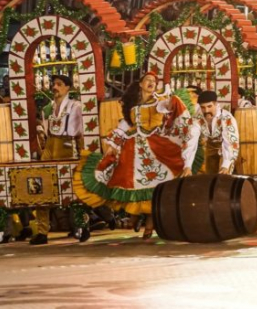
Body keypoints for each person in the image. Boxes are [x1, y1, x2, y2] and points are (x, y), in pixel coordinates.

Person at [74, 72, 199, 239]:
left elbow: (167, 106)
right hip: (132, 147)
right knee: (128, 182)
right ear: (140, 84)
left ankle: (150, 220)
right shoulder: (132, 104)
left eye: (154, 81)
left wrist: (170, 99)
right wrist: (112, 146)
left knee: (156, 183)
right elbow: (125, 125)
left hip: (155, 146)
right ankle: (136, 216)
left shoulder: (159, 101)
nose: (152, 83)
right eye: (148, 80)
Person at [31, 74, 83, 245]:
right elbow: (43, 129)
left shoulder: (76, 106)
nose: (55, 87)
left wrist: (82, 153)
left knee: (72, 189)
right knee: (42, 188)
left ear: (68, 87)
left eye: (59, 84)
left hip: (68, 146)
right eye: (54, 84)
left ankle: (82, 226)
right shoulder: (48, 108)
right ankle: (42, 232)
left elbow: (80, 132)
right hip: (49, 146)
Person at [184, 91, 239, 176]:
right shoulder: (196, 118)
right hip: (210, 149)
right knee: (210, 178)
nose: (206, 110)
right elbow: (190, 141)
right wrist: (187, 166)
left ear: (216, 104)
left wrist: (226, 164)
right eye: (203, 107)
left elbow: (230, 142)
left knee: (224, 177)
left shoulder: (227, 118)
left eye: (209, 106)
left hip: (226, 149)